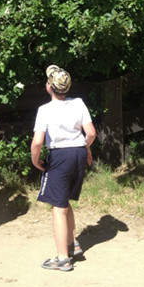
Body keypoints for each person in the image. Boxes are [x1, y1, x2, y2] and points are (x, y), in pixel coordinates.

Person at [31, 64, 96, 272]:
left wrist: (35, 160)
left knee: (57, 208)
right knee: (65, 202)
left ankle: (62, 259)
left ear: (50, 87)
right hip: (77, 153)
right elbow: (91, 133)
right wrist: (85, 148)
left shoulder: (45, 110)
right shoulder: (78, 103)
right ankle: (72, 243)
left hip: (59, 156)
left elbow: (37, 142)